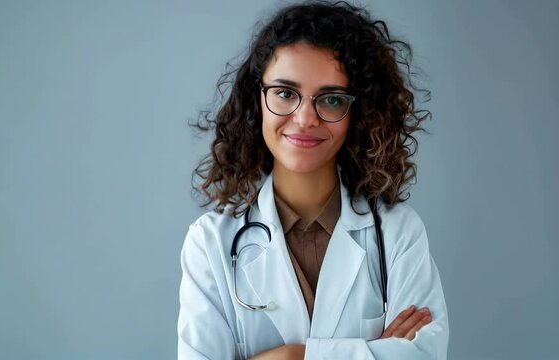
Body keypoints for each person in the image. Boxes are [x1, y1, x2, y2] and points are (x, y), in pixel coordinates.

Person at [178, 1, 449, 359]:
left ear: (358, 111)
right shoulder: (210, 243)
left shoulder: (398, 235)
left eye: (331, 99)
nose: (305, 118)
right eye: (286, 93)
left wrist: (292, 356)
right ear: (257, 99)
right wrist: (370, 351)